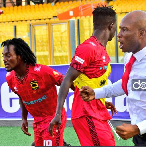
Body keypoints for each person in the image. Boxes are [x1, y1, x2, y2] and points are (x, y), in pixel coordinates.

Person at [79, 10, 146, 146]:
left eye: (125, 30)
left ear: (141, 33)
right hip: (141, 135)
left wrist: (137, 128)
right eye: (120, 30)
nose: (119, 35)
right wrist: (96, 93)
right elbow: (128, 83)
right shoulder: (130, 56)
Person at [48, 6, 117, 146]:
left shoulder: (100, 49)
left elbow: (88, 81)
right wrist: (57, 113)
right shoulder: (88, 48)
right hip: (87, 113)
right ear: (111, 26)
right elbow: (68, 79)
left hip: (97, 110)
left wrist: (101, 99)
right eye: (117, 27)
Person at [1, 38, 67, 146]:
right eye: (3, 56)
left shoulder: (41, 72)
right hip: (37, 122)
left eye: (8, 55)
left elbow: (65, 81)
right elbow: (21, 97)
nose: (4, 59)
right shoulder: (10, 78)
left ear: (20, 56)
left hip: (53, 118)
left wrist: (58, 113)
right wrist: (24, 118)